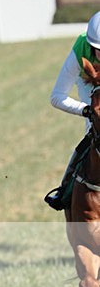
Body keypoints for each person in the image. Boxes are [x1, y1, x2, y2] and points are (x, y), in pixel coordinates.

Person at [44, 11, 100, 210]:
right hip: (90, 86)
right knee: (93, 133)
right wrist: (86, 111)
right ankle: (65, 189)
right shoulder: (80, 50)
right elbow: (56, 96)